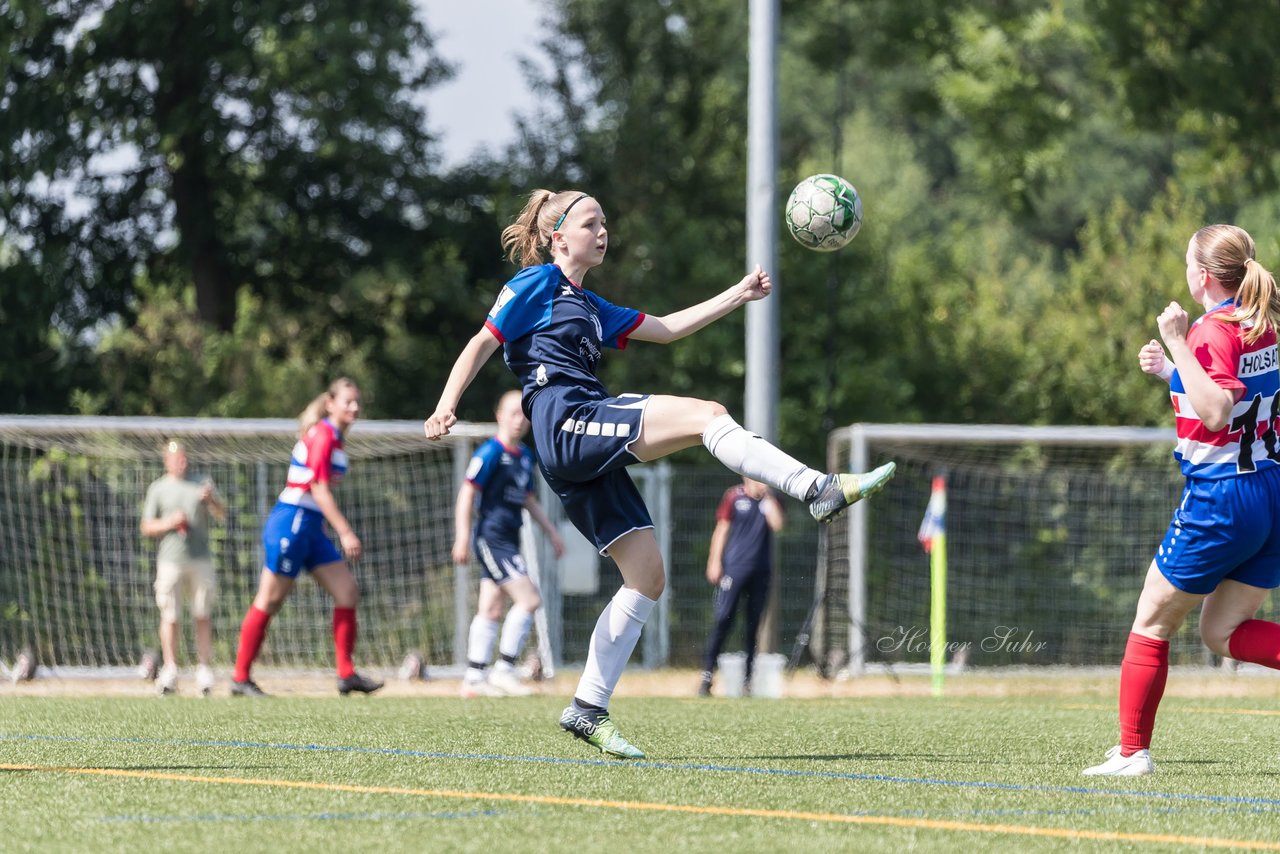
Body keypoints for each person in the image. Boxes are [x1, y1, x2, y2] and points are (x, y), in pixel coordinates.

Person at [424, 188, 895, 759]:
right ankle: (817, 489)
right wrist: (447, 402)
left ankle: (587, 709)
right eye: (591, 222)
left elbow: (668, 328)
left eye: (606, 222)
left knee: (646, 576)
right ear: (558, 237)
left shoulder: (593, 307)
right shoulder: (536, 284)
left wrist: (739, 294)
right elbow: (481, 342)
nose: (603, 232)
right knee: (708, 415)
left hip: (578, 449)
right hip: (569, 424)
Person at [1083, 224, 1280, 776]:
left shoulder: (1209, 330)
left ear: (1202, 275)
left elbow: (1215, 411)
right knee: (1221, 633)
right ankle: (1130, 750)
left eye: (1188, 261)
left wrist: (1176, 341)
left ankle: (1131, 754)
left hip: (1223, 498)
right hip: (1268, 491)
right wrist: (1173, 371)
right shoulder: (1260, 322)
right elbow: (1231, 400)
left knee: (1151, 620)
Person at [231, 377, 384, 697]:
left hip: (311, 527)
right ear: (330, 404)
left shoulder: (336, 438)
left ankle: (346, 675)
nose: (354, 407)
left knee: (347, 592)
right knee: (269, 599)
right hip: (292, 523)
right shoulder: (324, 435)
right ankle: (240, 678)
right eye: (348, 402)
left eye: (357, 402)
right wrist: (344, 531)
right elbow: (317, 488)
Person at [455, 389, 566, 698]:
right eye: (513, 413)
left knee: (491, 608)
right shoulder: (490, 453)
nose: (520, 420)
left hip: (509, 538)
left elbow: (528, 500)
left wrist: (551, 532)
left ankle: (474, 678)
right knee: (529, 599)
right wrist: (462, 536)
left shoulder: (525, 456)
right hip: (492, 537)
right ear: (499, 416)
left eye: (524, 414)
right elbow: (467, 493)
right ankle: (504, 669)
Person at [140, 439, 226, 696]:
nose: (182, 463)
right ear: (167, 461)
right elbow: (146, 526)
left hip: (200, 559)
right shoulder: (159, 488)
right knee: (170, 615)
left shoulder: (202, 483)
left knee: (202, 613)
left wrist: (211, 501)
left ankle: (204, 670)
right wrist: (169, 523)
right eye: (176, 458)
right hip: (170, 560)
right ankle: (170, 669)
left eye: (184, 458)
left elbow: (222, 514)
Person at [698, 477, 783, 698]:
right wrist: (714, 561)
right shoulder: (734, 496)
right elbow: (721, 529)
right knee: (723, 619)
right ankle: (707, 675)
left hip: (761, 572)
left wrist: (768, 498)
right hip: (734, 569)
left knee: (753, 626)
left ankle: (748, 682)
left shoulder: (770, 501)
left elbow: (778, 524)